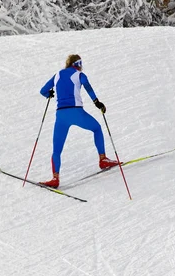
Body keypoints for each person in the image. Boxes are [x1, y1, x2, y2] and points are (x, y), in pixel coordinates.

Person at [39, 54, 118, 187]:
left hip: (61, 115)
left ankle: (55, 178)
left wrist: (49, 94)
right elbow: (87, 86)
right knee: (97, 128)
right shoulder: (79, 74)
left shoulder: (57, 74)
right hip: (76, 112)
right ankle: (103, 159)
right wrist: (97, 102)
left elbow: (43, 91)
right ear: (77, 64)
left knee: (57, 150)